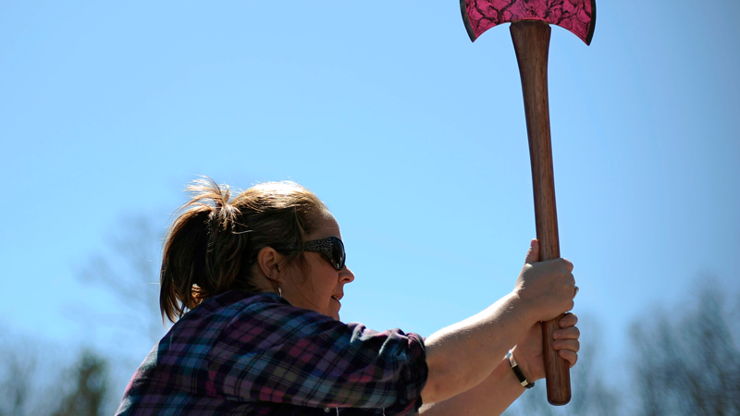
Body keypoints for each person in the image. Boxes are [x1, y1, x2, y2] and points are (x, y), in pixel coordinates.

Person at [115, 178, 580, 416]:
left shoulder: (285, 370)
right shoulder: (238, 326)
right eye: (333, 254)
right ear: (273, 264)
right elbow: (426, 371)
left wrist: (521, 368)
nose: (348, 274)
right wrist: (523, 305)